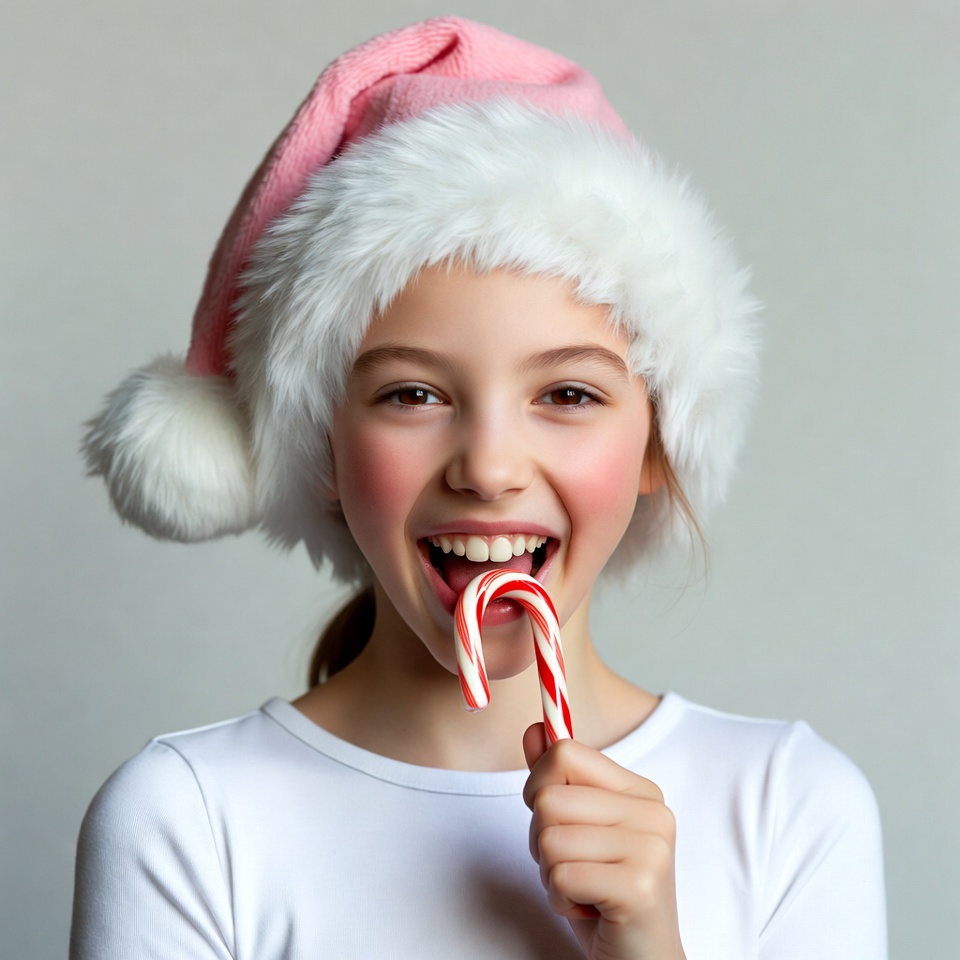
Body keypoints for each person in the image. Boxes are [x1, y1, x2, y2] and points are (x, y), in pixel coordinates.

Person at [72, 17, 886, 960]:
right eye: (412, 393)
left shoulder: (789, 804)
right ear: (322, 447)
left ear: (659, 439)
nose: (490, 467)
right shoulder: (190, 817)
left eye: (569, 393)